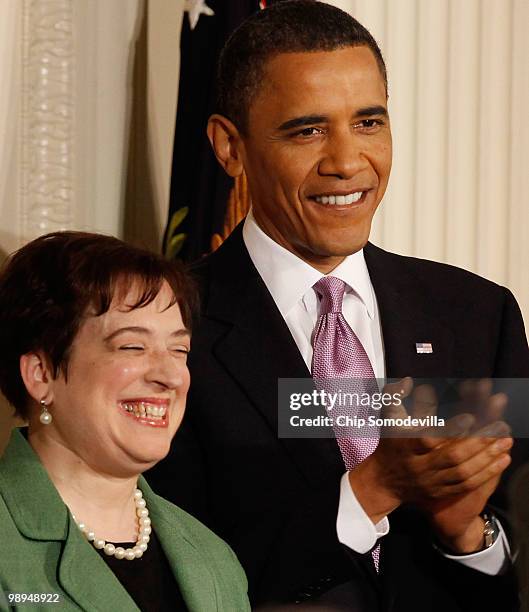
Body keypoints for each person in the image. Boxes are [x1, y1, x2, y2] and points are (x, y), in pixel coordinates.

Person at [147, 1, 529, 610]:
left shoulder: (477, 315)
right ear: (229, 146)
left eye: (370, 123)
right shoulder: (165, 326)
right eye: (308, 130)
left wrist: (467, 535)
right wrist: (370, 491)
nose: (349, 163)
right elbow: (164, 575)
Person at [0, 232, 250, 612]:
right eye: (132, 346)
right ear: (41, 373)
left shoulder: (214, 558)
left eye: (179, 350)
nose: (170, 376)